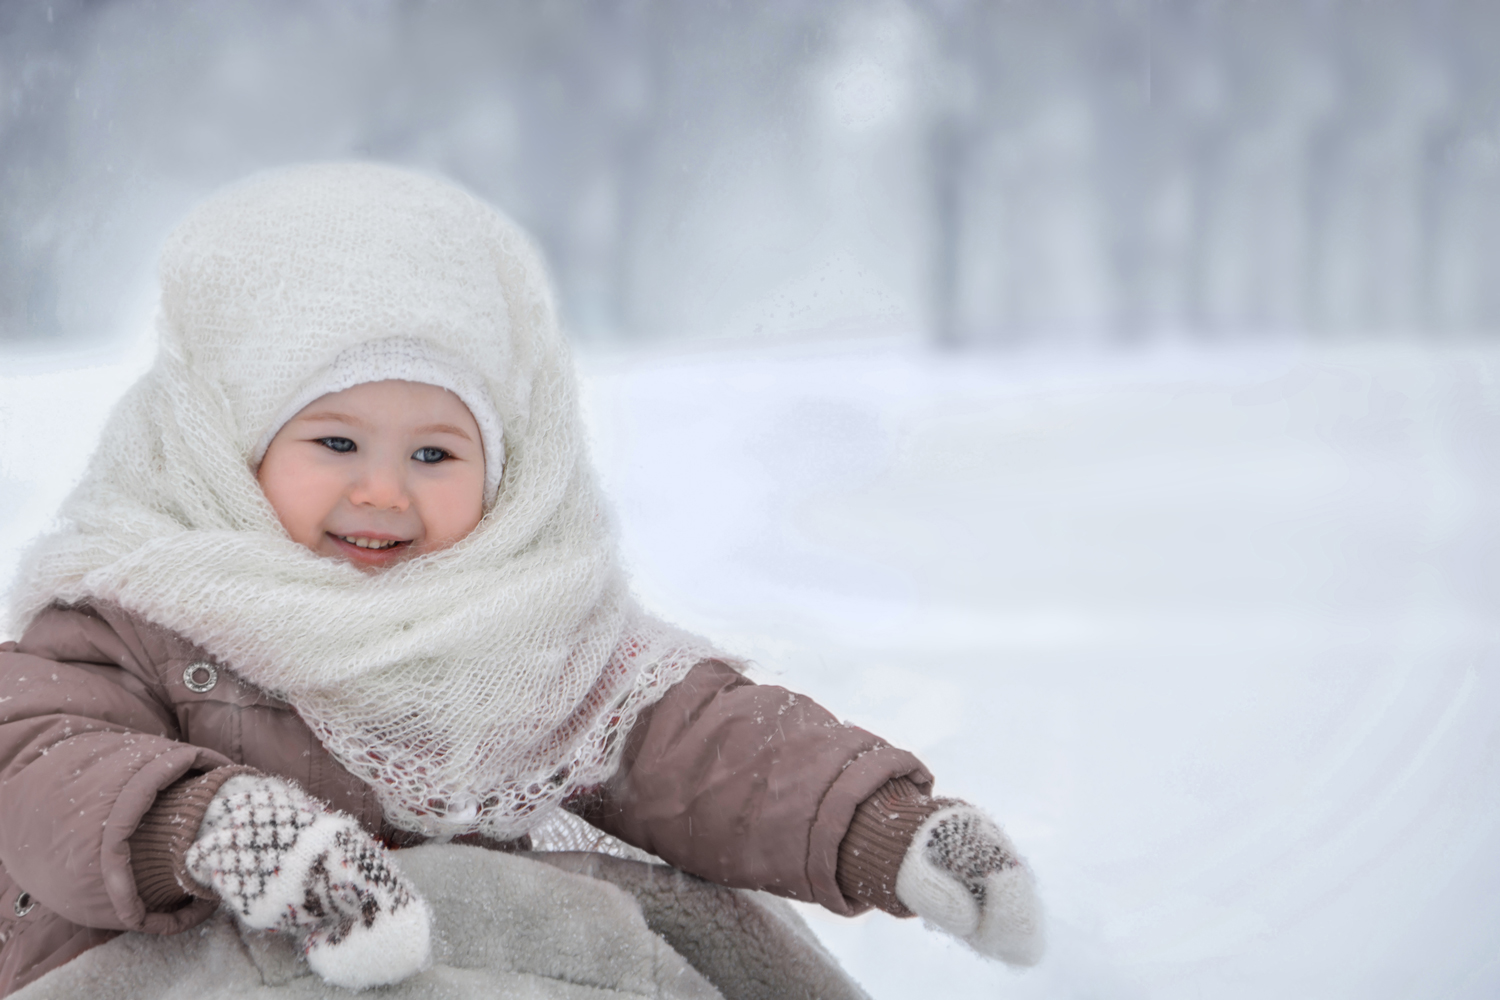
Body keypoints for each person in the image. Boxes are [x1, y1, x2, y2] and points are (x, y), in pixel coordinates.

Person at [0, 163, 1042, 995]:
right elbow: (38, 767)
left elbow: (695, 746)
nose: (383, 494)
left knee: (662, 928)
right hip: (174, 967)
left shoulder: (523, 627)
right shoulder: (131, 610)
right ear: (225, 442)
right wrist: (213, 830)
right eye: (333, 440)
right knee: (482, 901)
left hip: (447, 958)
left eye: (434, 455)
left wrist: (878, 826)